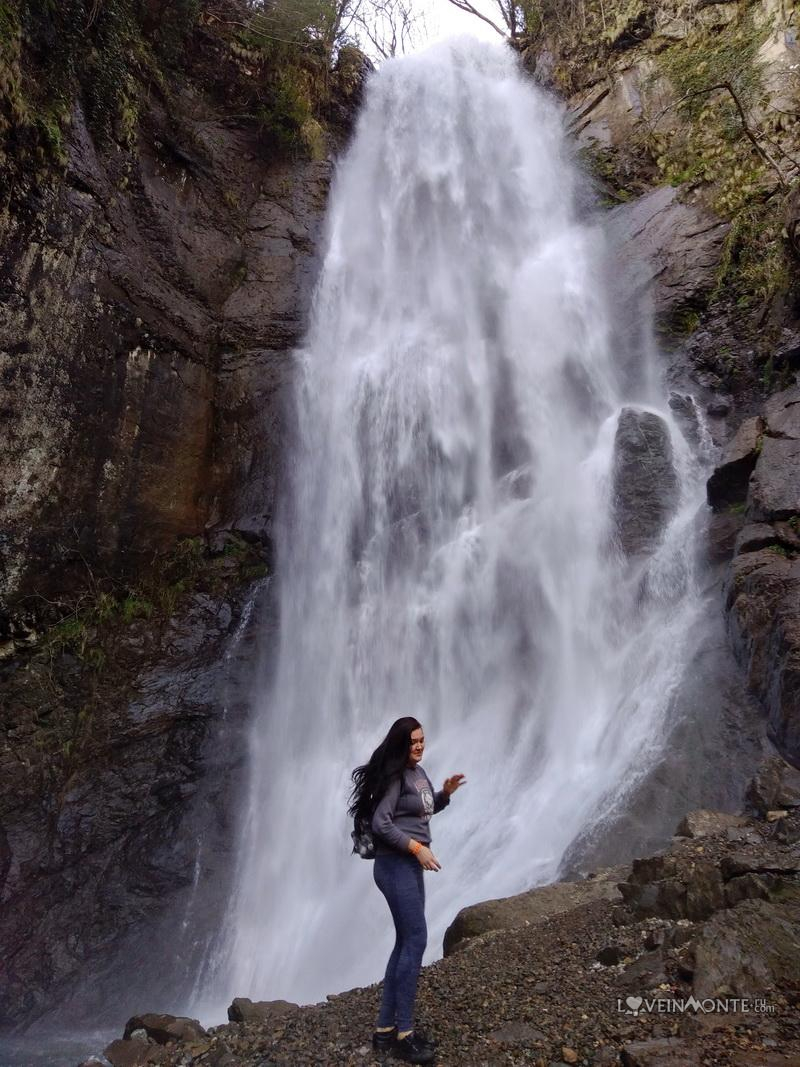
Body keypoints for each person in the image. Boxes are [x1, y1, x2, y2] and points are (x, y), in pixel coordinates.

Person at [348, 717, 466, 1065]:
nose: (419, 745)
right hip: (395, 865)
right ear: (400, 743)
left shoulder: (419, 773)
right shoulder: (396, 776)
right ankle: (405, 1034)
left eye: (422, 740)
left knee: (405, 941)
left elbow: (420, 812)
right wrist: (417, 849)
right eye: (413, 741)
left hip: (409, 866)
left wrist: (445, 794)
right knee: (416, 939)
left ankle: (385, 1030)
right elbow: (383, 823)